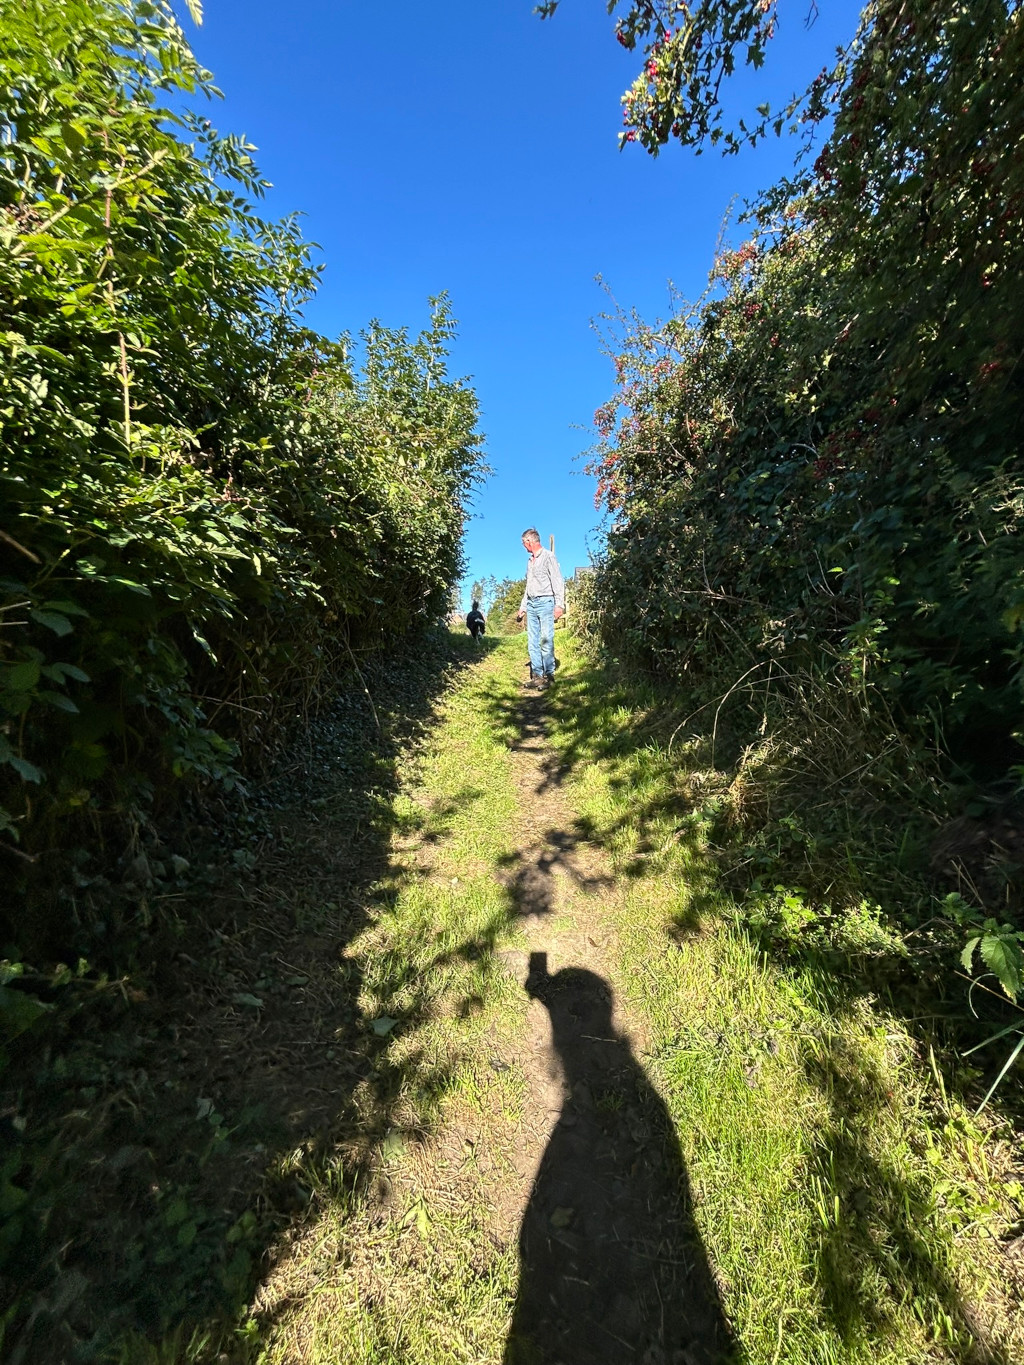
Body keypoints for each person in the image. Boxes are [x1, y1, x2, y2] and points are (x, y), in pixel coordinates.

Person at [515, 529, 564, 687]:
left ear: (530, 541)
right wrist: (523, 607)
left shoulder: (549, 557)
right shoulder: (530, 561)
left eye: (524, 543)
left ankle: (549, 676)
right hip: (531, 603)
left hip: (546, 602)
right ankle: (537, 676)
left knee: (545, 639)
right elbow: (528, 586)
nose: (524, 547)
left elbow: (557, 581)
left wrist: (559, 605)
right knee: (532, 641)